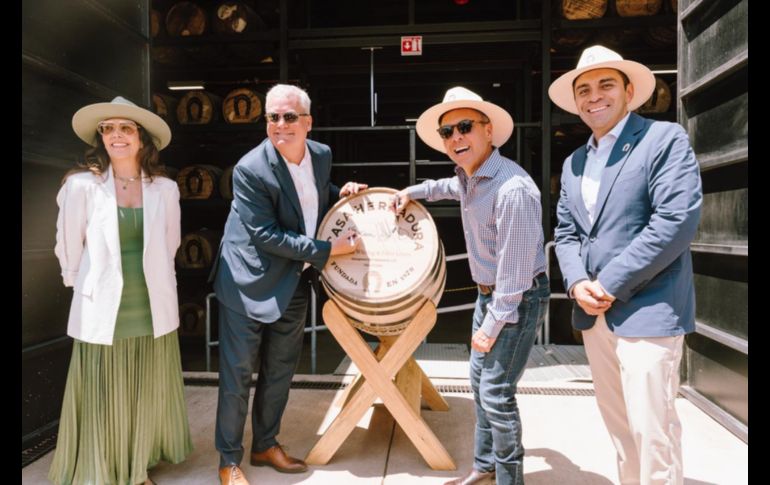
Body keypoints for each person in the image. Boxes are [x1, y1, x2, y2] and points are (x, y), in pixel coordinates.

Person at [549, 45, 702, 485]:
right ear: (576, 102)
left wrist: (609, 282)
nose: (594, 96)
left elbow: (675, 222)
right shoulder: (575, 162)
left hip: (650, 309)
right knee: (619, 429)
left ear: (630, 91)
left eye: (606, 85)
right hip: (594, 313)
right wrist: (577, 281)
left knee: (653, 430)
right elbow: (567, 233)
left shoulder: (663, 140)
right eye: (584, 89)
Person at [390, 87, 549, 485]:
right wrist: (411, 191)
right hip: (489, 293)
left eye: (465, 127)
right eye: (447, 132)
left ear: (489, 130)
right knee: (479, 385)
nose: (456, 137)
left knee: (496, 393)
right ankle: (485, 466)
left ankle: (510, 479)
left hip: (516, 298)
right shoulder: (471, 176)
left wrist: (491, 326)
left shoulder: (513, 190)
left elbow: (513, 280)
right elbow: (446, 186)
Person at [212, 83, 367, 485]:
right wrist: (329, 249)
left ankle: (265, 445)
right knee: (238, 375)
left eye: (289, 116)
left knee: (280, 370)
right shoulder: (250, 169)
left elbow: (311, 195)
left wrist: (340, 193)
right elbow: (267, 235)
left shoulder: (321, 155)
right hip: (248, 281)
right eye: (272, 117)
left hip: (293, 279)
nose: (280, 124)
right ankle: (229, 460)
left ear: (308, 122)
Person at [48, 96, 192, 485]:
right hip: (102, 309)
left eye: (125, 128)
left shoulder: (164, 189)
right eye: (108, 128)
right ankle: (101, 469)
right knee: (102, 396)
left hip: (149, 306)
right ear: (101, 138)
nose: (116, 135)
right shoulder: (81, 186)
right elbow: (68, 246)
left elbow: (170, 245)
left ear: (142, 140)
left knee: (143, 390)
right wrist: (86, 289)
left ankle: (136, 467)